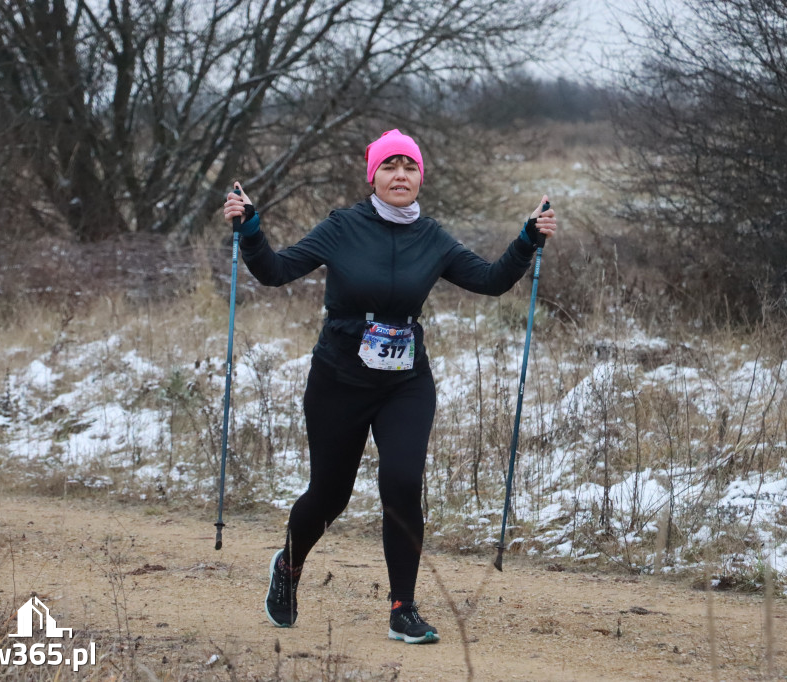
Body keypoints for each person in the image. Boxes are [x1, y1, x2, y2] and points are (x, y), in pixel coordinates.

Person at [223, 129, 556, 644]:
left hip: (405, 381)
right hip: (339, 378)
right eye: (389, 167)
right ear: (372, 176)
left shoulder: (433, 237)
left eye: (409, 167)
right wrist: (250, 230)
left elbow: (490, 280)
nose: (400, 175)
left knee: (402, 483)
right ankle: (289, 566)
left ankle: (403, 607)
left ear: (420, 177)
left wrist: (527, 240)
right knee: (329, 495)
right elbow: (276, 271)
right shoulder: (342, 227)